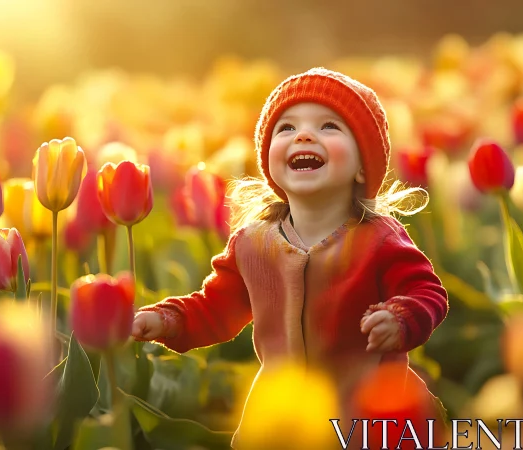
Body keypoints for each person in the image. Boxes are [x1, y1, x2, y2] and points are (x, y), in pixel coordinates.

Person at [132, 67, 449, 449]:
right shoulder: (253, 243)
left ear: (363, 163)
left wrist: (400, 318)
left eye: (329, 126)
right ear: (268, 162)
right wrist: (169, 319)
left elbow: (427, 291)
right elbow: (215, 308)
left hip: (365, 414)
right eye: (286, 128)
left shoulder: (378, 239)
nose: (303, 134)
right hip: (281, 417)